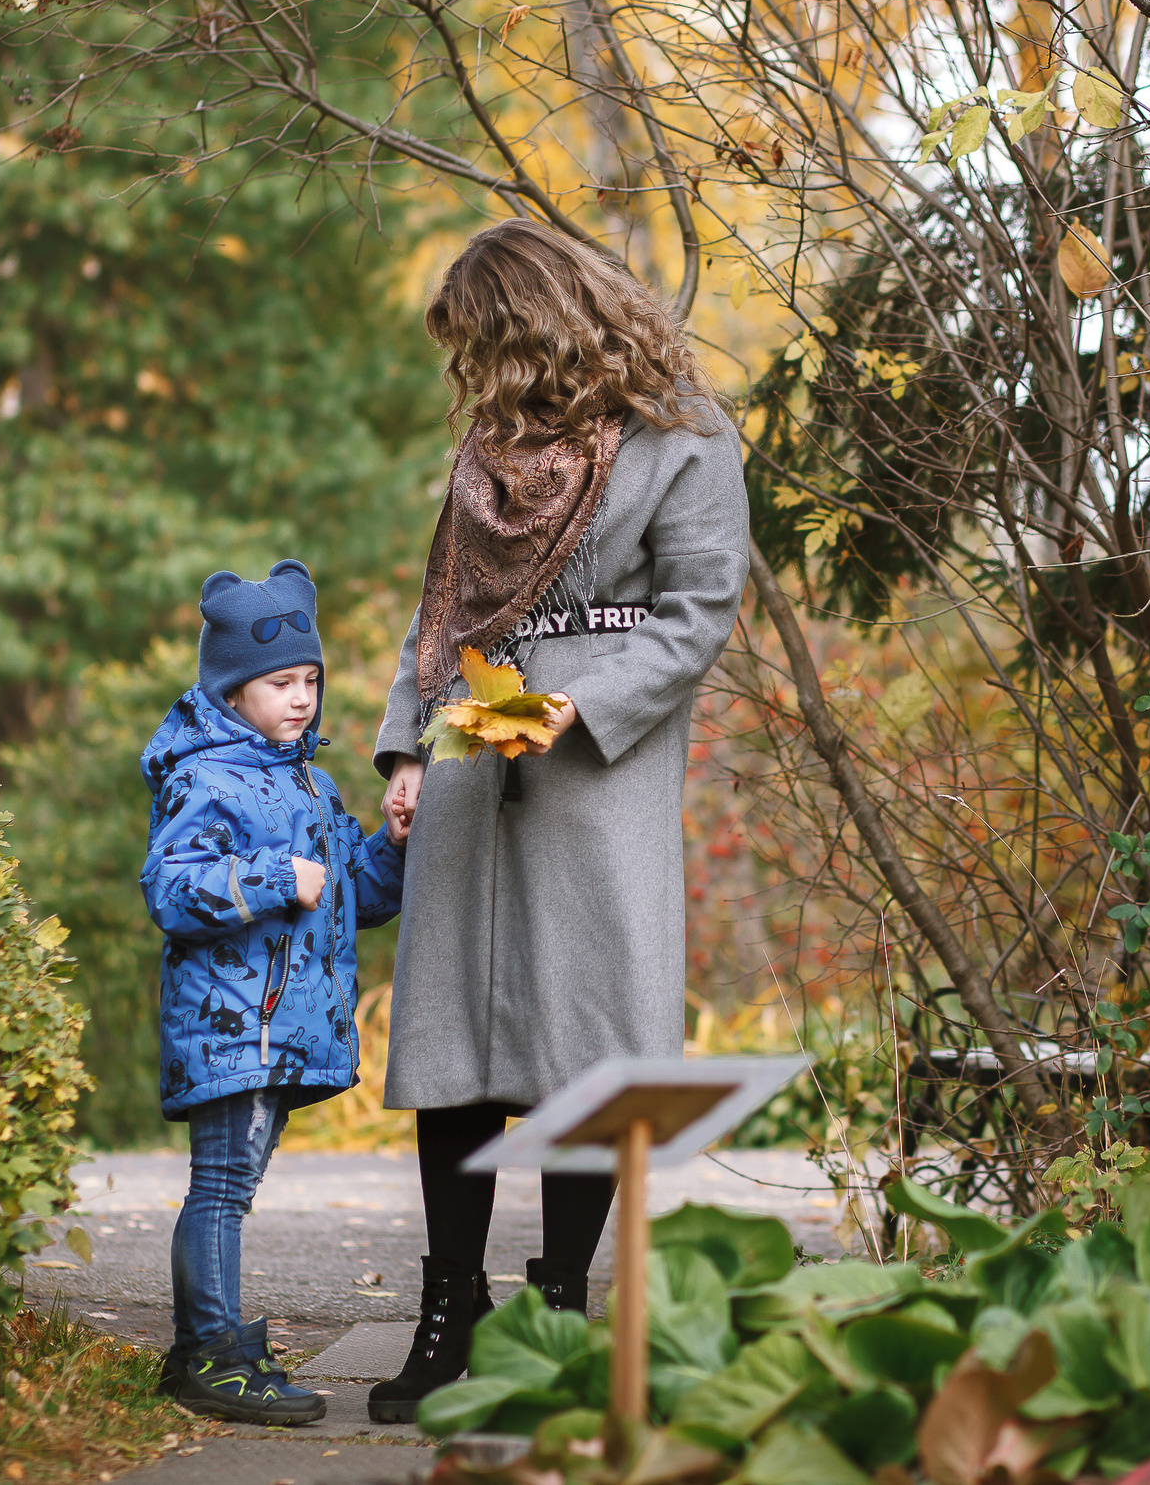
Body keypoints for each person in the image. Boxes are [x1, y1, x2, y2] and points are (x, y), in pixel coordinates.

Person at [363, 218, 750, 1423]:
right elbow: (444, 611)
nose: (476, 373)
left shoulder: (683, 440)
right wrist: (403, 747)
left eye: (488, 343)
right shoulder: (489, 451)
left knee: (587, 1051)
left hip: (595, 775)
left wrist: (577, 701)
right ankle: (448, 1311)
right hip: (471, 763)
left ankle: (557, 1314)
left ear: (543, 325)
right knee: (450, 1054)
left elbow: (698, 612)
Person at [139, 559, 408, 1425]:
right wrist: (264, 873)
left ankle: (203, 1347)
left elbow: (345, 896)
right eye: (277, 682)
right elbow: (170, 888)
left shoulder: (312, 782)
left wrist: (392, 845)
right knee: (220, 1185)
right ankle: (213, 1356)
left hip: (276, 1032)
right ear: (230, 689)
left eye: (309, 680)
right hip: (228, 1025)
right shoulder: (204, 776)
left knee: (233, 1184)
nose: (299, 698)